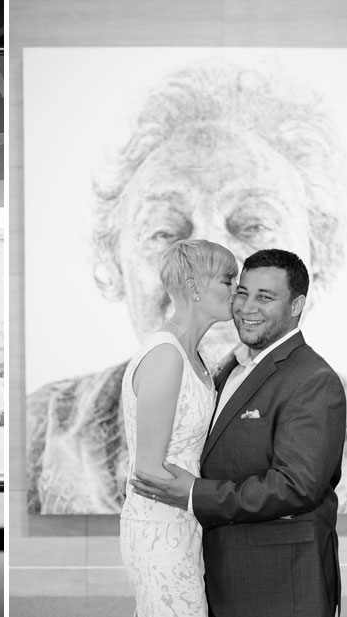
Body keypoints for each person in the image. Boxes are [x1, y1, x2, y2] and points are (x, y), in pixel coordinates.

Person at [27, 59, 347, 515]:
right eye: (166, 231)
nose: (209, 269)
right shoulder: (39, 430)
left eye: (252, 224)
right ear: (112, 260)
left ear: (317, 261)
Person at [131, 249, 346, 617]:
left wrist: (196, 493)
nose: (247, 307)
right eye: (242, 292)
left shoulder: (313, 379)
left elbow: (297, 486)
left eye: (265, 297)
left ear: (297, 305)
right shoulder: (227, 365)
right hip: (214, 569)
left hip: (279, 580)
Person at [120, 239, 237, 617]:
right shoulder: (166, 355)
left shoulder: (196, 355)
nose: (237, 290)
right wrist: (206, 496)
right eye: (228, 280)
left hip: (185, 521)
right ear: (194, 288)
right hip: (159, 528)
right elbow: (148, 470)